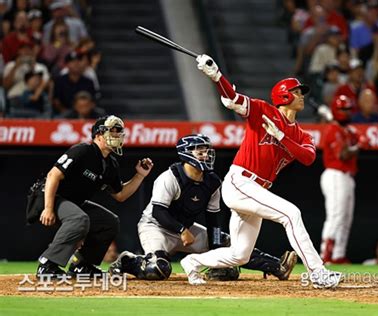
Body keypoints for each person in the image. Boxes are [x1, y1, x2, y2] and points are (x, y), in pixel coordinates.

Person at [179, 54, 342, 289]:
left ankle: (192, 262)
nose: (301, 96)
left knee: (240, 255)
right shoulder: (263, 110)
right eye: (296, 92)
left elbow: (308, 157)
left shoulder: (301, 135)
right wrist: (215, 76)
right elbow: (232, 99)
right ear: (284, 96)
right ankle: (317, 272)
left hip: (257, 188)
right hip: (241, 181)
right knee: (291, 214)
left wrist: (281, 137)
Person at [110, 134, 298, 281]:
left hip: (186, 228)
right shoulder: (170, 177)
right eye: (199, 151)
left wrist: (218, 254)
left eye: (207, 151)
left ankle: (276, 266)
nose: (206, 155)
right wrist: (182, 230)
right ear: (186, 153)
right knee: (158, 269)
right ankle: (128, 260)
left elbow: (213, 219)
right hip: (156, 226)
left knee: (227, 243)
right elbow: (159, 212)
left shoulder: (212, 181)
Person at [27, 115, 154, 278]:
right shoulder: (83, 150)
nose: (117, 136)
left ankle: (82, 265)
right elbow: (53, 176)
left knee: (109, 222)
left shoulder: (110, 164)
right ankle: (47, 265)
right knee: (80, 218)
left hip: (73, 202)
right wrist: (48, 208)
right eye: (112, 132)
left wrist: (139, 176)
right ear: (99, 135)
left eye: (119, 132)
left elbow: (120, 195)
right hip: (49, 196)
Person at [319, 95, 369, 264]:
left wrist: (358, 138)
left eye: (348, 109)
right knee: (336, 216)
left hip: (347, 176)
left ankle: (338, 254)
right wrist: (358, 146)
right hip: (335, 175)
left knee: (346, 218)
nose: (346, 113)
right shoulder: (333, 130)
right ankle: (325, 254)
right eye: (343, 110)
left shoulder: (346, 130)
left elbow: (364, 141)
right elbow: (343, 154)